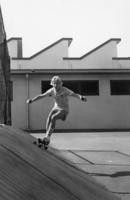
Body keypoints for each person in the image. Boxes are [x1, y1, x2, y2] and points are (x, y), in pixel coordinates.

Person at [27, 76, 87, 145]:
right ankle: (47, 137)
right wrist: (32, 100)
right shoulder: (51, 90)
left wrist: (81, 97)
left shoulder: (65, 90)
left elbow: (74, 94)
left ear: (60, 84)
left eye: (57, 84)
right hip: (56, 107)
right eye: (54, 84)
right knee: (49, 117)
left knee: (53, 117)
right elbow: (41, 96)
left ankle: (48, 136)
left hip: (64, 109)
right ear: (52, 84)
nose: (55, 86)